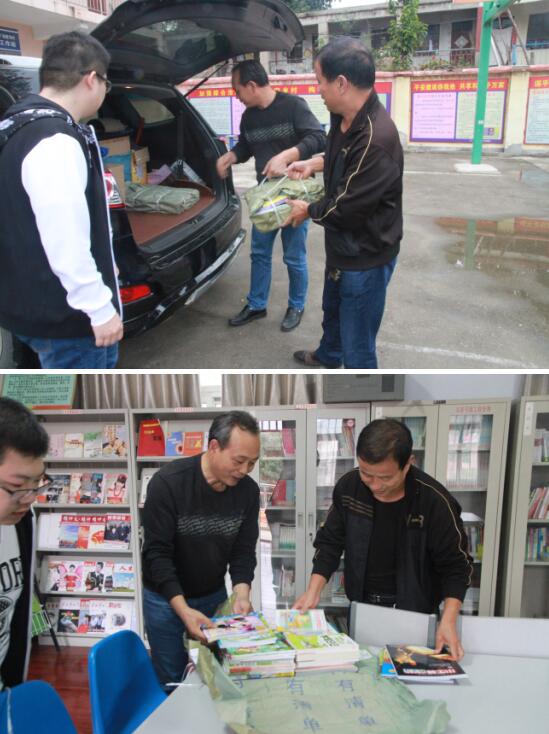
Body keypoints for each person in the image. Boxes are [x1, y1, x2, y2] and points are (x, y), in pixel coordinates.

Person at [294, 419, 473, 660]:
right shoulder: (349, 487)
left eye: (386, 478)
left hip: (415, 613)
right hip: (362, 606)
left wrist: (448, 620)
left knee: (408, 670)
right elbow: (329, 542)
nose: (375, 486)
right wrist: (313, 591)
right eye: (367, 474)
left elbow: (457, 566)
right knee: (363, 668)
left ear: (408, 464)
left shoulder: (434, 502)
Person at [0, 31, 123, 368]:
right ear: (92, 79)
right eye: (107, 84)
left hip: (28, 301)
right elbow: (65, 239)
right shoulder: (56, 140)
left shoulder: (15, 123)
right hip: (70, 320)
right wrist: (99, 308)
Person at [284, 38, 403, 368]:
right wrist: (313, 163)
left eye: (319, 80)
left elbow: (345, 209)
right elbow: (343, 157)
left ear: (341, 83)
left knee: (358, 342)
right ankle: (328, 355)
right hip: (343, 247)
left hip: (365, 256)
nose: (317, 88)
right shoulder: (343, 116)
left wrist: (306, 209)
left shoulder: (376, 139)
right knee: (333, 311)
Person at [142, 410, 261, 688]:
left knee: (214, 676)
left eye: (252, 463)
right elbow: (157, 555)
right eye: (239, 461)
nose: (245, 470)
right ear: (214, 447)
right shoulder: (168, 483)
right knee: (173, 681)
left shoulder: (247, 492)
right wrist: (183, 610)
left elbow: (243, 550)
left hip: (213, 596)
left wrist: (242, 593)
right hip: (166, 602)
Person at [216, 60, 326, 332]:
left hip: (293, 195)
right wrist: (231, 156)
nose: (236, 96)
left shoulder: (294, 106)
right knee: (260, 252)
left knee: (294, 256)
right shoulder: (249, 117)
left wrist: (288, 155)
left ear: (252, 85)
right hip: (266, 197)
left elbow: (318, 138)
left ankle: (296, 305)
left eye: (237, 89)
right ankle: (256, 305)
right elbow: (246, 146)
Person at [0, 397, 50, 689]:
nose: (29, 498)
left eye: (37, 483)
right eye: (17, 486)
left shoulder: (21, 522)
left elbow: (16, 622)